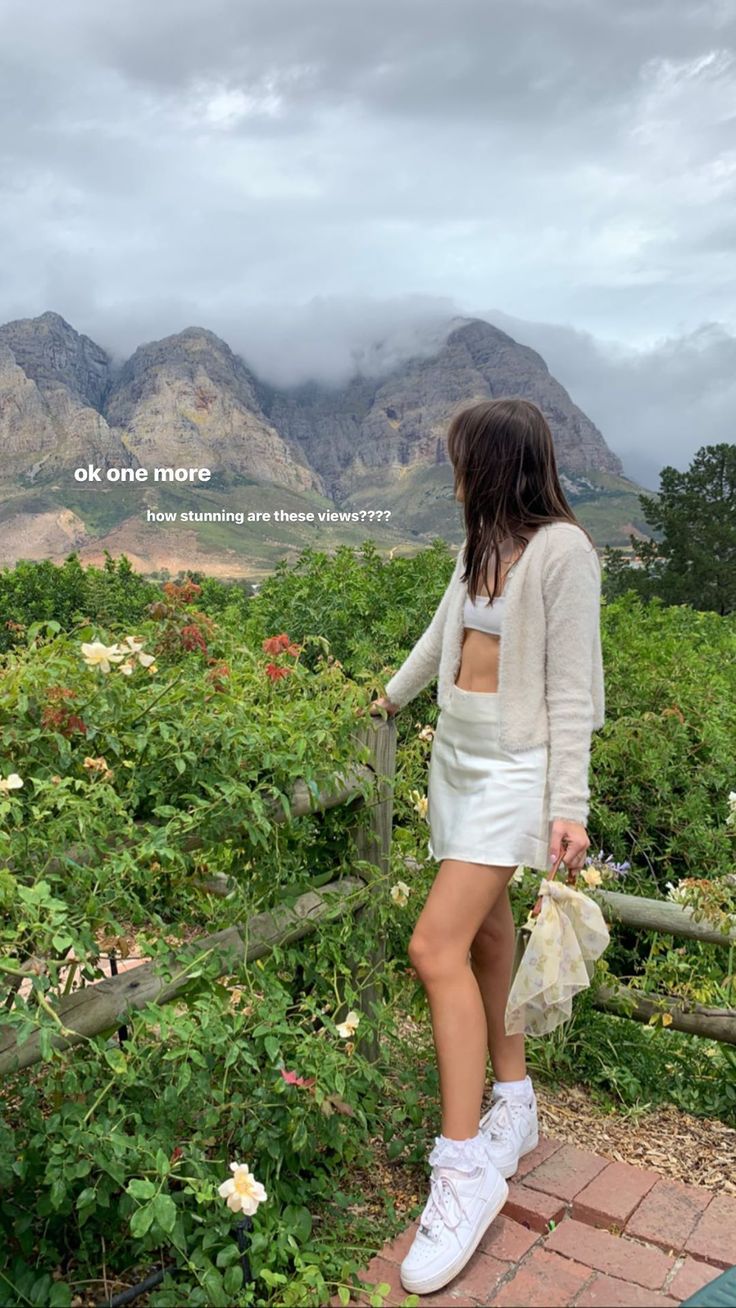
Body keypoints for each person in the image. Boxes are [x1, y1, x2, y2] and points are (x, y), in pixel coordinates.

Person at [370, 396, 605, 1296]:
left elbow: (575, 690)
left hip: (516, 771)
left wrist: (568, 804)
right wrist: (386, 701)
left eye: (463, 455)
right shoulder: (478, 547)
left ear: (500, 461)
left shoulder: (564, 552)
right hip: (458, 759)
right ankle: (515, 1101)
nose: (452, 469)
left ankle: (464, 1170)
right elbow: (444, 639)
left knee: (433, 945)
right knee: (486, 936)